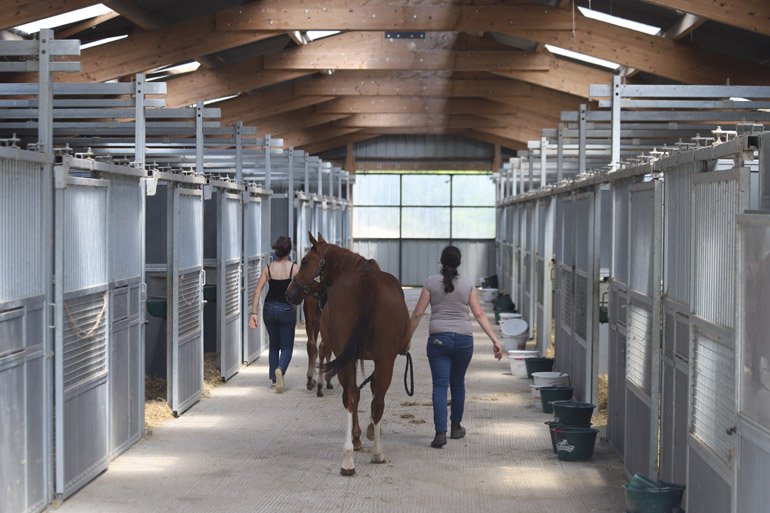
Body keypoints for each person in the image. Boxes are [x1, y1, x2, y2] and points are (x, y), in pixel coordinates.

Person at [409, 245, 504, 448]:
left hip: (438, 341)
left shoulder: (430, 282)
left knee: (440, 386)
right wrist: (495, 340)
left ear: (441, 261)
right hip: (463, 341)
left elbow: (417, 314)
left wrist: (405, 339)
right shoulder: (468, 284)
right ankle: (456, 428)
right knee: (458, 384)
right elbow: (479, 314)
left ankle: (440, 433)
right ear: (459, 263)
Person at [249, 236, 298, 393]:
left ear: (276, 250)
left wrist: (253, 313)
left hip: (269, 309)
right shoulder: (294, 268)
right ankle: (280, 370)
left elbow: (257, 291)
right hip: (286, 309)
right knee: (287, 347)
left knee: (274, 344)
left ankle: (273, 379)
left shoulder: (268, 268)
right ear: (289, 251)